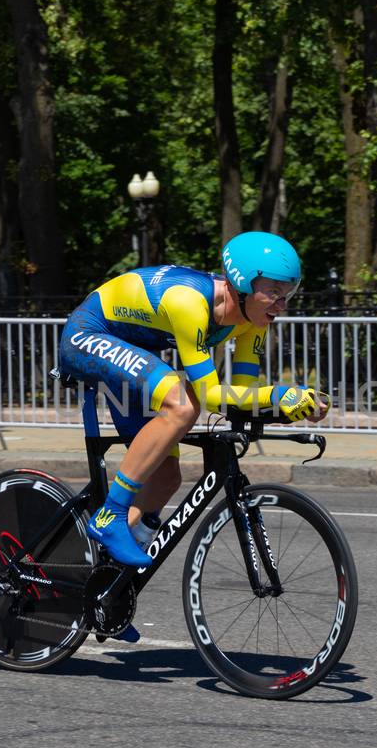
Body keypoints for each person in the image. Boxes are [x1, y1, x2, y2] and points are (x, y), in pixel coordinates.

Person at [58, 231, 330, 570]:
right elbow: (211, 396)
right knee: (183, 404)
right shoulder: (189, 303)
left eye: (288, 293)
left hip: (132, 349)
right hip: (89, 333)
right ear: (242, 285)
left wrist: (291, 408)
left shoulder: (254, 322)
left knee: (166, 477)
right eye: (274, 292)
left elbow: (239, 399)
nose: (282, 304)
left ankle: (103, 588)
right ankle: (109, 514)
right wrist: (278, 395)